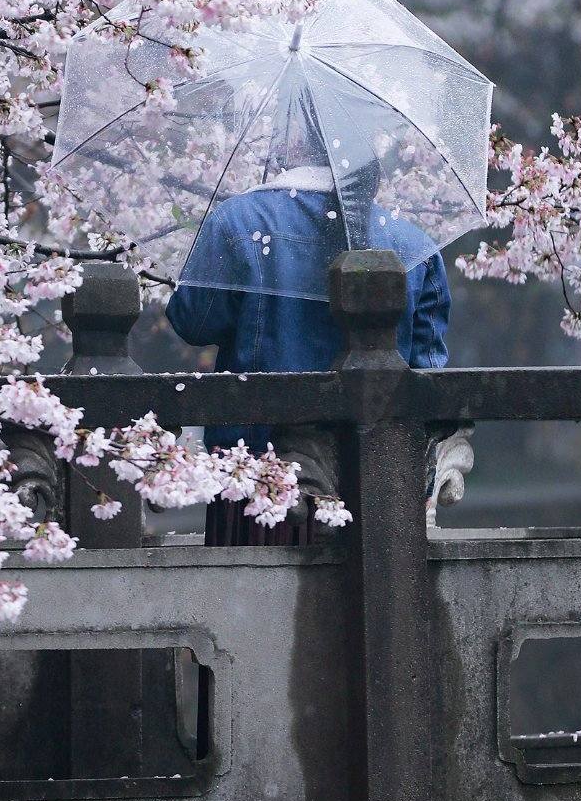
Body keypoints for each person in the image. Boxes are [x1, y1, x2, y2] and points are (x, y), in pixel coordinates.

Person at [165, 153, 451, 544]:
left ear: (293, 143)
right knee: (383, 599)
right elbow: (429, 372)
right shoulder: (415, 246)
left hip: (258, 472)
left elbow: (193, 322)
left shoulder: (239, 222)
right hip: (383, 477)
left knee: (256, 597)